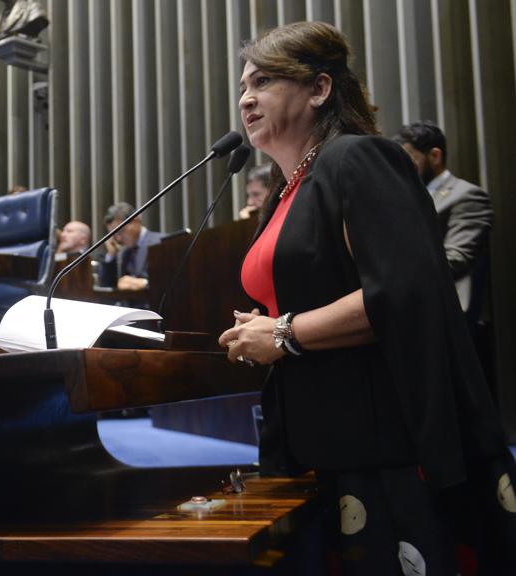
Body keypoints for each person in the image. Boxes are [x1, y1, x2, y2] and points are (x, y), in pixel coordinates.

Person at [217, 21, 515, 574]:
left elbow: (405, 292)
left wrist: (282, 333)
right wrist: (261, 326)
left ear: (320, 89)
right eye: (242, 87)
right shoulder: (285, 192)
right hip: (314, 428)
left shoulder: (356, 159)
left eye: (263, 81)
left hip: (378, 434)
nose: (246, 99)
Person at [394, 121, 493, 312]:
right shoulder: (405, 196)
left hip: (449, 310)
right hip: (413, 308)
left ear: (435, 156)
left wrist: (395, 274)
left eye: (410, 160)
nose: (403, 168)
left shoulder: (467, 195)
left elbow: (457, 258)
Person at [98, 202, 164, 291]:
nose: (118, 238)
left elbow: (173, 281)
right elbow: (107, 286)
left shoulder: (161, 242)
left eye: (121, 231)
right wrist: (111, 256)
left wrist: (145, 284)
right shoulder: (122, 252)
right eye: (114, 235)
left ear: (136, 221)